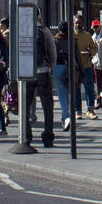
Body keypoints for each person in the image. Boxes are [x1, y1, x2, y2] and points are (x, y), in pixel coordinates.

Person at [32, 8, 57, 147]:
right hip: (43, 72)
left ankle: (26, 135)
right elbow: (52, 52)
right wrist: (51, 69)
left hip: (27, 74)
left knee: (27, 106)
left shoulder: (22, 30)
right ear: (39, 16)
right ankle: (48, 137)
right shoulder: (45, 31)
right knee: (48, 107)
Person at [73, 14, 99, 120]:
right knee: (76, 90)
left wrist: (90, 52)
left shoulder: (87, 35)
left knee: (89, 89)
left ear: (83, 23)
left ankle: (90, 110)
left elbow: (95, 48)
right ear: (73, 23)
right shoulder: (71, 35)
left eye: (79, 22)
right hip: (75, 67)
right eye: (76, 22)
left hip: (87, 65)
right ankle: (77, 111)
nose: (78, 24)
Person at [53, 21, 74, 131]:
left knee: (61, 94)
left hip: (58, 67)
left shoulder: (55, 40)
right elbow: (77, 56)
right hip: (70, 67)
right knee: (67, 94)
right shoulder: (72, 40)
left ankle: (66, 117)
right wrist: (81, 71)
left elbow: (52, 55)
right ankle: (64, 117)